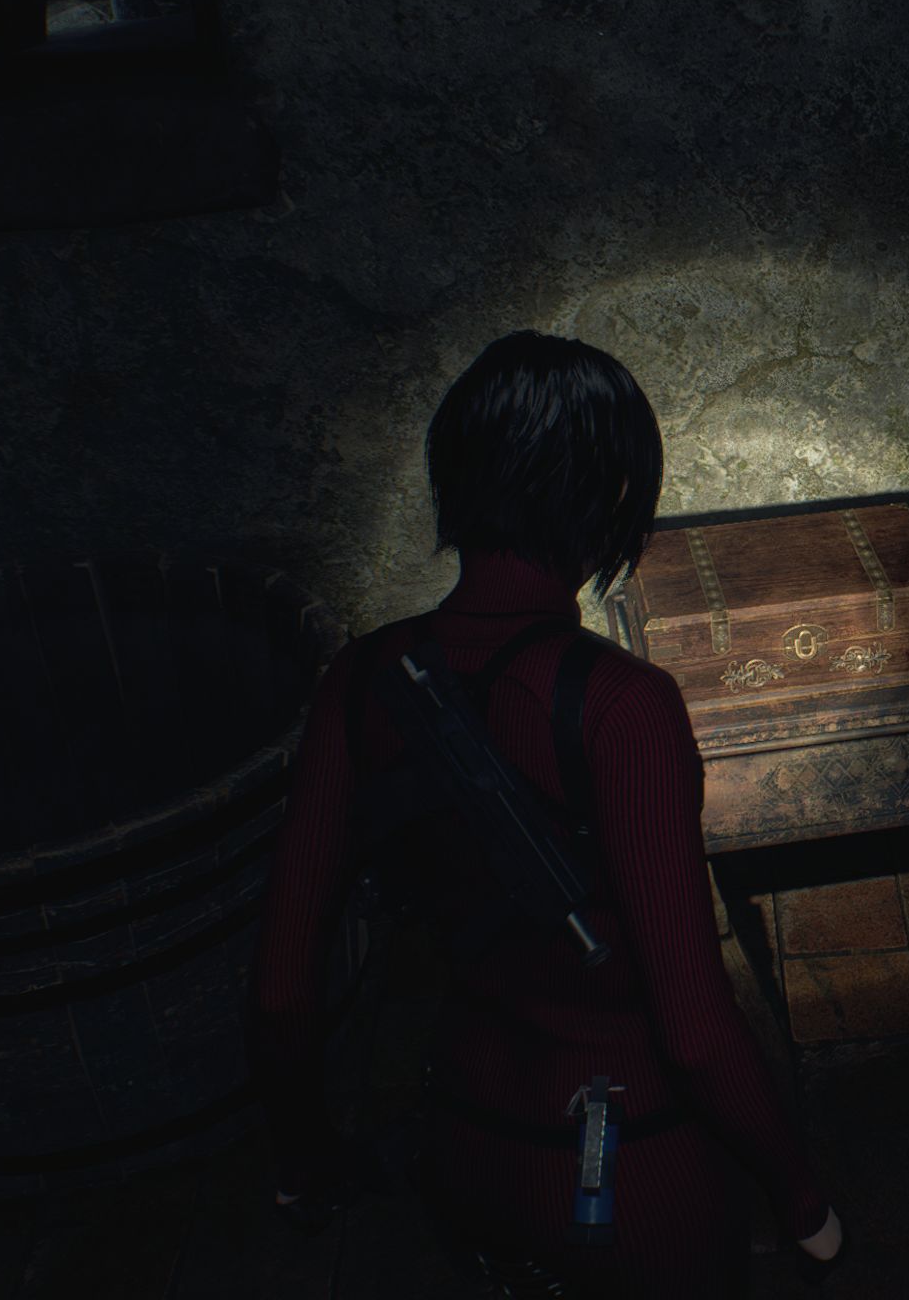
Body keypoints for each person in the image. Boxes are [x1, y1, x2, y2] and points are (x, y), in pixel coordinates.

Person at [246, 330, 842, 1295]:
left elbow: (281, 992)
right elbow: (695, 1032)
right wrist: (802, 1200)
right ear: (609, 495)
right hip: (632, 1170)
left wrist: (304, 1160)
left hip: (464, 1147)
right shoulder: (624, 704)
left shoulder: (358, 680)